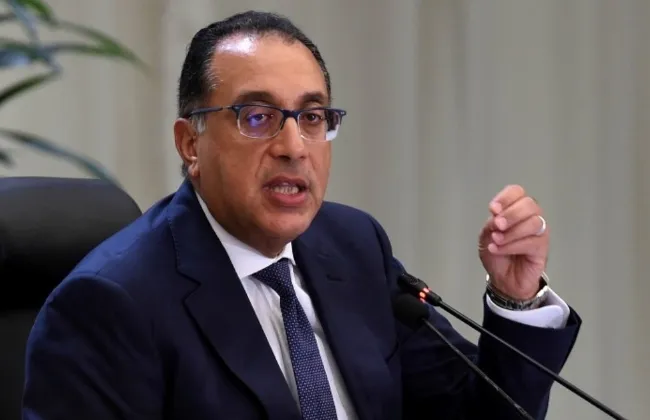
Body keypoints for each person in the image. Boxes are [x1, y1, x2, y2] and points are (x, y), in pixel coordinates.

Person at [22, 10, 581, 420]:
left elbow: (478, 412)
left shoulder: (353, 246)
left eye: (312, 117)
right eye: (258, 117)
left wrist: (515, 298)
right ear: (190, 144)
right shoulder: (112, 305)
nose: (294, 146)